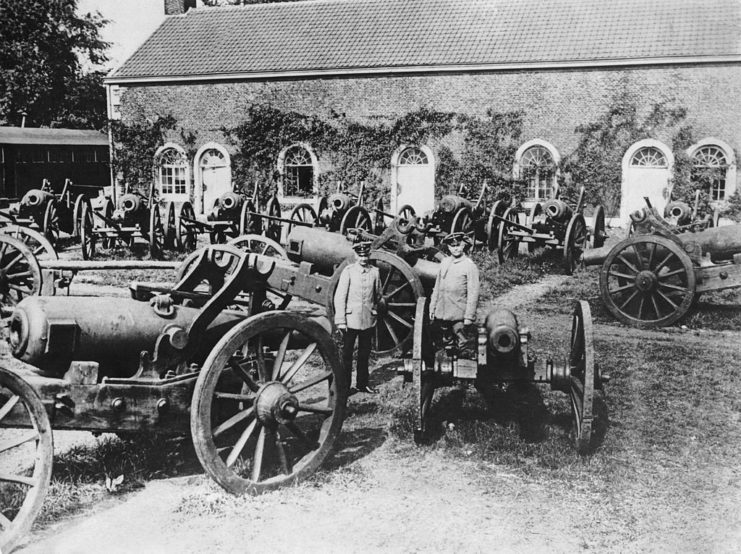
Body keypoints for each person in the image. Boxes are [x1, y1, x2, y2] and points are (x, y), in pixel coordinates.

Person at [333, 239, 382, 394]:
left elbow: (378, 295)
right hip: (350, 320)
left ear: (369, 255)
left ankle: (362, 384)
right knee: (347, 355)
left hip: (367, 319)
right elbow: (340, 297)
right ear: (356, 255)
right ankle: (345, 387)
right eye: (360, 256)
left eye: (366, 255)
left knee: (364, 354)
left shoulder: (375, 272)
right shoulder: (348, 271)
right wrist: (341, 320)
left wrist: (374, 310)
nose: (363, 259)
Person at [428, 232, 480, 357]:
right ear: (448, 247)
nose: (455, 248)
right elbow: (437, 287)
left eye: (458, 245)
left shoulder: (469, 266)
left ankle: (464, 368)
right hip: (444, 312)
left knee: (463, 343)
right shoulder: (445, 262)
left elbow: (473, 293)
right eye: (452, 246)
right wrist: (432, 307)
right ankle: (449, 369)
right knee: (447, 342)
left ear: (463, 245)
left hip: (459, 313)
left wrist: (469, 316)